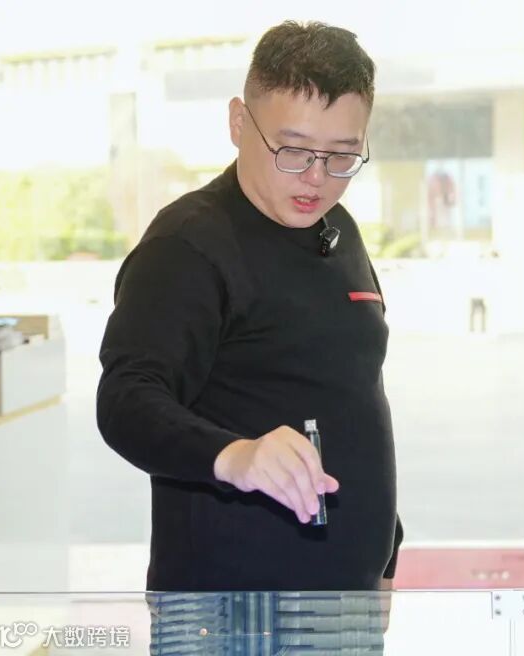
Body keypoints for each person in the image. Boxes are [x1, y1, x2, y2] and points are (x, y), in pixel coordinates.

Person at [97, 21, 402, 592]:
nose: (316, 178)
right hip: (231, 607)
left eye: (342, 156)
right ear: (239, 123)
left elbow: (356, 401)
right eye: (293, 150)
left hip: (347, 600)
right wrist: (234, 455)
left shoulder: (339, 228)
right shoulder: (188, 245)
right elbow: (126, 402)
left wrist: (386, 557)